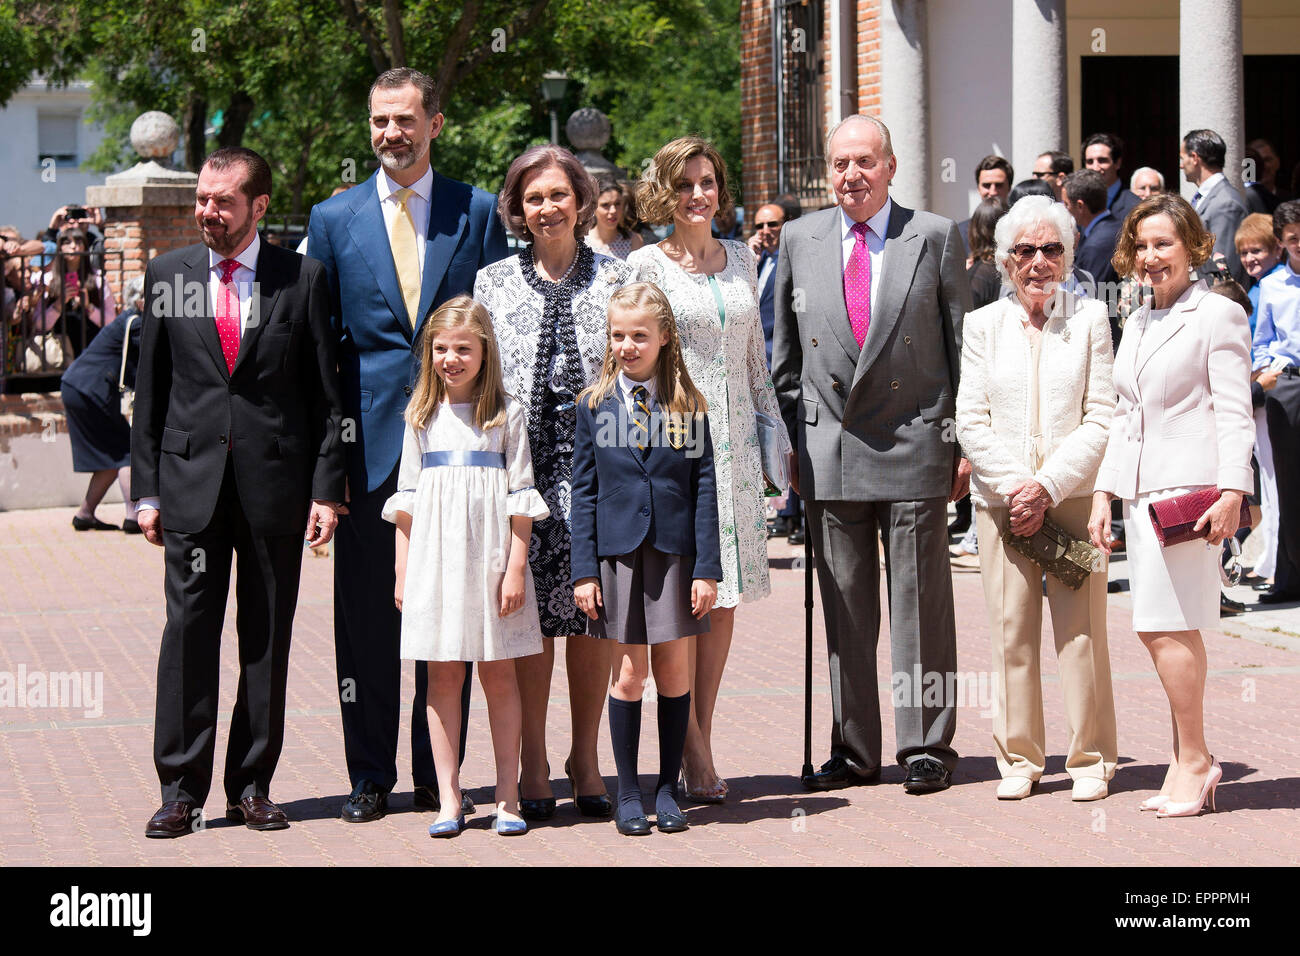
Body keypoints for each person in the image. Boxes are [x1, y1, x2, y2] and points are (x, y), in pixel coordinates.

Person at [306, 67, 510, 823]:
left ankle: (438, 776)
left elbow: (496, 331)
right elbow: (321, 354)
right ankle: (369, 774)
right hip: (367, 454)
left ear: (436, 123)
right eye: (379, 121)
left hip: (459, 453)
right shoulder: (333, 218)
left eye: (404, 119)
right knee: (366, 619)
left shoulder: (477, 210)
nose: (391, 133)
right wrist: (327, 473)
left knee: (448, 615)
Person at [133, 146, 346, 837]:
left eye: (222, 202)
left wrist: (326, 488)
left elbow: (323, 395)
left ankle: (252, 784)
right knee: (189, 636)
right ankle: (180, 790)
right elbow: (151, 397)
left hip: (273, 490)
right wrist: (145, 493)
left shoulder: (303, 278)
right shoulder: (168, 274)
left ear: (258, 206)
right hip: (190, 486)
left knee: (266, 638)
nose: (207, 212)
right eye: (202, 199)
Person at [772, 114, 971, 795]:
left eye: (864, 161)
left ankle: (926, 745)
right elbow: (785, 362)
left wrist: (962, 442)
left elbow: (960, 347)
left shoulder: (936, 237)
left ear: (890, 166)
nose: (850, 175)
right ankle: (853, 748)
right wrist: (795, 447)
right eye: (839, 164)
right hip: (831, 448)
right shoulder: (798, 240)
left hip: (917, 440)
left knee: (921, 603)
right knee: (844, 608)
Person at [629, 136, 791, 803]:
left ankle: (701, 735)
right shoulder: (643, 265)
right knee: (683, 601)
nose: (700, 194)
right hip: (676, 452)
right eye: (686, 183)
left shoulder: (746, 260)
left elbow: (756, 359)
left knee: (722, 604)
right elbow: (630, 361)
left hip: (738, 453)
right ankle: (691, 750)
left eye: (709, 182)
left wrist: (778, 440)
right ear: (664, 192)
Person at [473, 144, 632, 821]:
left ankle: (586, 759)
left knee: (594, 618)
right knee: (532, 621)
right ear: (517, 206)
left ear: (582, 201)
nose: (546, 208)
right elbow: (476, 383)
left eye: (558, 195)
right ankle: (533, 762)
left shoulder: (620, 277)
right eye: (533, 197)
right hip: (522, 481)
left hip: (599, 477)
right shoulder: (492, 282)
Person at [1088, 193, 1254, 817]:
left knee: (1166, 627)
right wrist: (1105, 490)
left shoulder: (1217, 315)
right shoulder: (1136, 322)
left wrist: (1234, 491)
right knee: (1161, 627)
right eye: (1143, 246)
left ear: (1193, 248)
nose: (1152, 257)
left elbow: (1235, 410)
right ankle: (1187, 757)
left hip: (1191, 495)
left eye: (1165, 244)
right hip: (1140, 491)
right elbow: (1125, 414)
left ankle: (1194, 760)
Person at [956, 195, 1118, 801]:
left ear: (1068, 256)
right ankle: (1019, 760)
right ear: (1005, 260)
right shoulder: (982, 326)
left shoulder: (1090, 320)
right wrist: (1018, 487)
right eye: (1025, 251)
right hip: (1002, 504)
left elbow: (1101, 416)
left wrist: (1047, 486)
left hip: (1069, 498)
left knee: (1082, 634)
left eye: (1052, 249)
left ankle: (1092, 759)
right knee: (1011, 631)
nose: (1039, 262)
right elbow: (971, 419)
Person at [384, 296, 550, 837]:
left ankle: (508, 796)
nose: (450, 358)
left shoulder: (507, 413)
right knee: (442, 676)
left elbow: (521, 494)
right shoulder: (420, 416)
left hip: (491, 560)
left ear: (484, 351)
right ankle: (449, 797)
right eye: (440, 348)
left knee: (500, 675)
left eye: (463, 348)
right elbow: (406, 500)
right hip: (436, 562)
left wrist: (517, 568)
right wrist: (402, 571)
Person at [570, 282, 721, 836]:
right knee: (629, 675)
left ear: (663, 337)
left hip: (675, 556)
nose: (628, 345)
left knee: (674, 671)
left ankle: (666, 788)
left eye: (639, 335)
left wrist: (707, 568)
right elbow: (581, 491)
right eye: (617, 335)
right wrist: (584, 570)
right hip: (618, 559)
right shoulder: (594, 405)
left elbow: (705, 488)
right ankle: (628, 792)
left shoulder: (688, 404)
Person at [61, 275, 144, 533]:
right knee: (127, 450)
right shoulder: (136, 323)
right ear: (141, 300)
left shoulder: (130, 320)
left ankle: (85, 514)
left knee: (109, 456)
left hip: (78, 387)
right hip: (90, 390)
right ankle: (133, 518)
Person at [1251, 200, 1300, 605]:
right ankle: (1289, 576)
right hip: (1290, 386)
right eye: (1293, 240)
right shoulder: (1273, 285)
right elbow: (1262, 340)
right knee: (1286, 483)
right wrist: (1269, 368)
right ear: (1282, 244)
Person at [748, 200, 802, 544]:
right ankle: (784, 513)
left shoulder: (794, 262)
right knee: (772, 442)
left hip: (785, 368)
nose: (765, 231)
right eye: (760, 225)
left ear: (789, 225)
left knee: (791, 442)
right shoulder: (761, 261)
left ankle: (797, 516)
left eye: (773, 224)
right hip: (760, 365)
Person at [1180, 128, 1249, 284]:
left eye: (1182, 159)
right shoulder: (1206, 197)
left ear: (1194, 158)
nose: (1181, 166)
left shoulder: (1225, 203)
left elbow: (1223, 269)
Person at [1063, 170, 1120, 288]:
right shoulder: (1118, 226)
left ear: (1080, 206)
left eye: (1066, 204)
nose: (1064, 209)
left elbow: (1090, 292)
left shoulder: (1095, 246)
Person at [957, 154, 1014, 255]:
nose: (992, 192)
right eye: (986, 185)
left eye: (999, 185)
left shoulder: (1020, 228)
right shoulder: (960, 233)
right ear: (978, 188)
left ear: (1009, 187)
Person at [1082, 132, 1139, 223]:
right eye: (1090, 161)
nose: (1095, 168)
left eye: (1102, 160)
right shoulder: (1080, 203)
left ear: (1117, 163)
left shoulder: (1134, 206)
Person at [586, 178, 644, 260]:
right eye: (605, 205)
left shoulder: (634, 240)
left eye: (617, 204)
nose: (613, 210)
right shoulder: (581, 242)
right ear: (593, 207)